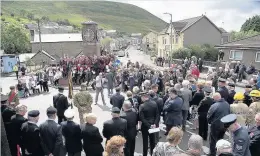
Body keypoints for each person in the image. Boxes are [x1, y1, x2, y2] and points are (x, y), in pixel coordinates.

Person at [139, 92, 160, 156]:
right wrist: (155, 124)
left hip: (145, 127)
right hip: (153, 126)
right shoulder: (154, 103)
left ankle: (144, 154)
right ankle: (152, 154)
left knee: (145, 142)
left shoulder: (142, 106)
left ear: (144, 97)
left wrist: (149, 125)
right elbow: (157, 115)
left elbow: (141, 118)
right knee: (152, 141)